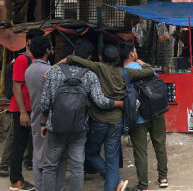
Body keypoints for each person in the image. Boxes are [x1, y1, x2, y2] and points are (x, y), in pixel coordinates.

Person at [63, 44, 154, 191]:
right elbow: (149, 71)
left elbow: (73, 59)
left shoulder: (98, 68)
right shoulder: (126, 73)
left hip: (98, 121)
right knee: (112, 160)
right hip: (117, 122)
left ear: (100, 57)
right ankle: (115, 182)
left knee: (91, 153)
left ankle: (115, 180)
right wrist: (140, 61)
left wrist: (53, 66)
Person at [41, 39, 123, 191]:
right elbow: (100, 101)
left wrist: (43, 124)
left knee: (50, 166)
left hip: (55, 127)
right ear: (89, 59)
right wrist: (120, 103)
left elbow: (45, 103)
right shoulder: (90, 76)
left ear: (73, 54)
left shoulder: (54, 71)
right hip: (79, 129)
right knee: (77, 167)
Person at [118, 42, 168, 190]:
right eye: (135, 51)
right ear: (132, 54)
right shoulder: (145, 68)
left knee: (140, 152)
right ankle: (163, 178)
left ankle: (144, 185)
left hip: (137, 117)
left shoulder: (121, 73)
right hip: (156, 112)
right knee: (159, 145)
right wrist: (143, 63)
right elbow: (157, 82)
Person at [24, 36, 65, 191]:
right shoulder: (48, 71)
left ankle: (40, 187)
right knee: (56, 157)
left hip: (35, 116)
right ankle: (57, 188)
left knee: (38, 155)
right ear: (47, 50)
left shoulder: (29, 70)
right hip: (48, 118)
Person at [9, 28, 44, 191]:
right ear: (29, 42)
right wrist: (23, 112)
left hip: (33, 107)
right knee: (19, 144)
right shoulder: (22, 59)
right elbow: (16, 86)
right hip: (22, 109)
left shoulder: (37, 60)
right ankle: (15, 180)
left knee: (31, 144)